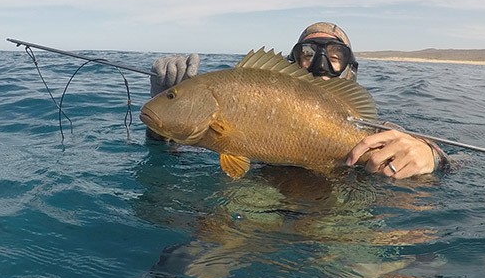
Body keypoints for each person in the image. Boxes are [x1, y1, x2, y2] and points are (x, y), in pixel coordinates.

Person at [149, 22, 449, 178]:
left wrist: (431, 156)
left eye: (335, 57)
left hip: (338, 214)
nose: (320, 65)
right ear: (292, 62)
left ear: (351, 70)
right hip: (259, 208)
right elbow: (175, 159)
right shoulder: (210, 130)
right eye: (307, 55)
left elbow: (457, 162)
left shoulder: (373, 131)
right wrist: (159, 129)